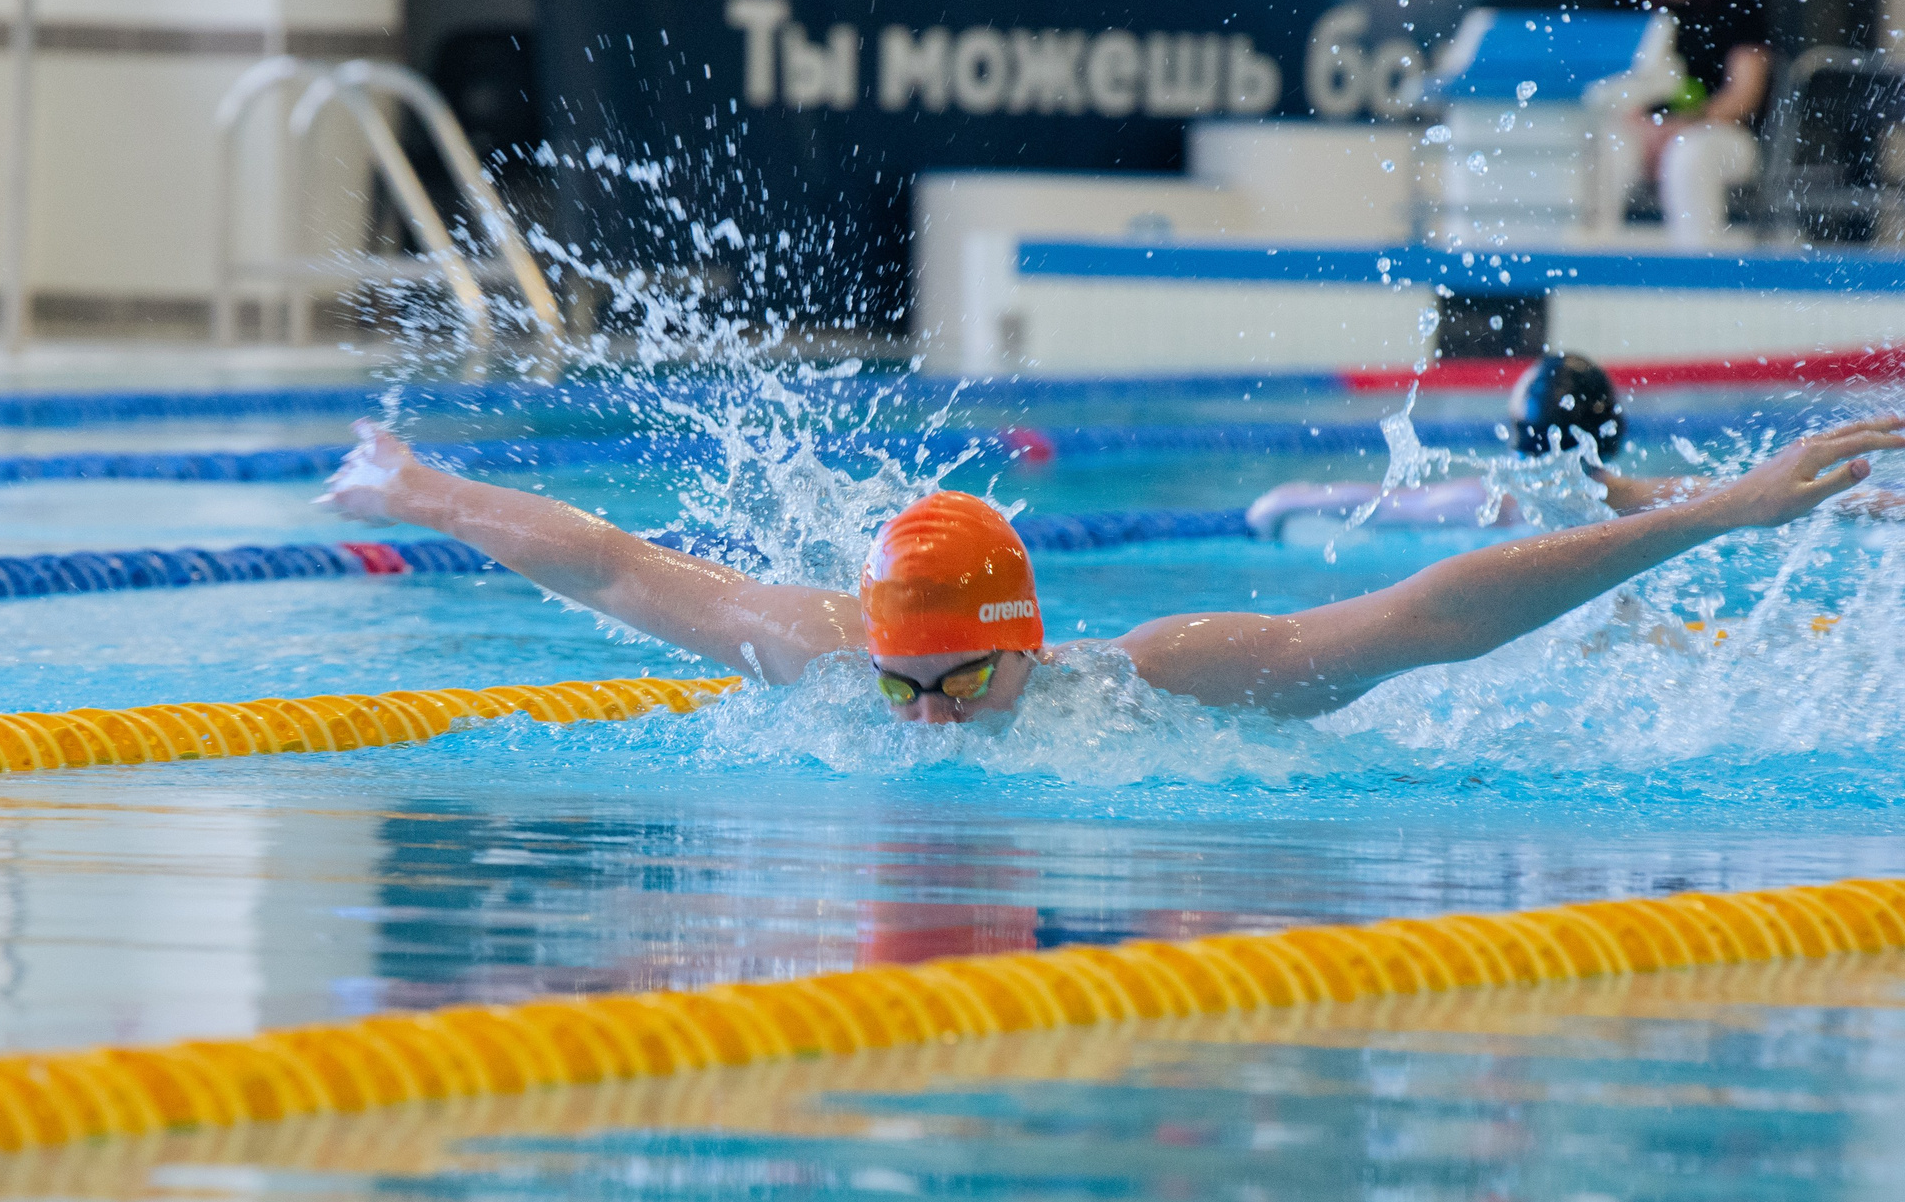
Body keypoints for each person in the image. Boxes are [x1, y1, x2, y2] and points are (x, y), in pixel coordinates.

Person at [320, 411, 1903, 722]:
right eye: (903, 680)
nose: (924, 715)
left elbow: (1424, 616)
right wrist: (428, 484)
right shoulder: (846, 663)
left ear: (1022, 641)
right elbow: (616, 568)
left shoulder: (1161, 678)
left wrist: (1709, 515)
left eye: (956, 682)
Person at [1247, 351, 1905, 539]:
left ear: (1516, 433)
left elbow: (1379, 504)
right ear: (1613, 432)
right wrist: (1885, 501)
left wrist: (1283, 501)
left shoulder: (1491, 501)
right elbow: (1770, 498)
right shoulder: (1644, 496)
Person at [1603, 0, 1773, 245]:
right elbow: (1605, 90)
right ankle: (1590, 270)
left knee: (1689, 156)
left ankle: (1700, 287)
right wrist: (1643, 126)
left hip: (1720, 135)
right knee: (1605, 149)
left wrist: (1686, 123)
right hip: (1639, 132)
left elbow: (1745, 94)